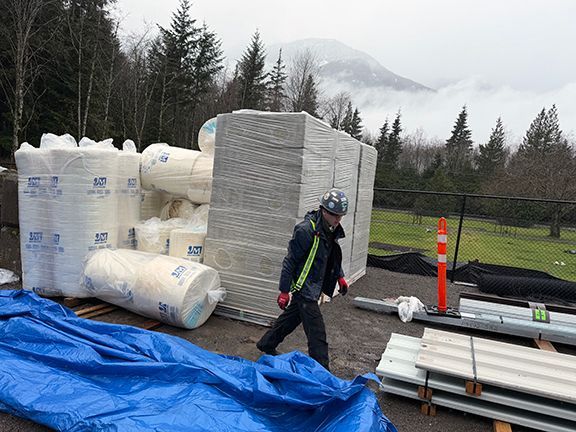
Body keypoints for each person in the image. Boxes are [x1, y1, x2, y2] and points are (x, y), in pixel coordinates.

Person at [256, 188, 350, 371]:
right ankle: (323, 371)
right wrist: (284, 291)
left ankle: (266, 343)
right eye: (334, 215)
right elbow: (290, 262)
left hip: (315, 286)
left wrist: (340, 277)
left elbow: (331, 257)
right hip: (304, 288)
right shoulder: (306, 231)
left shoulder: (330, 228)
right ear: (323, 210)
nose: (338, 220)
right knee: (317, 333)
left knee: (291, 319)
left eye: (340, 216)